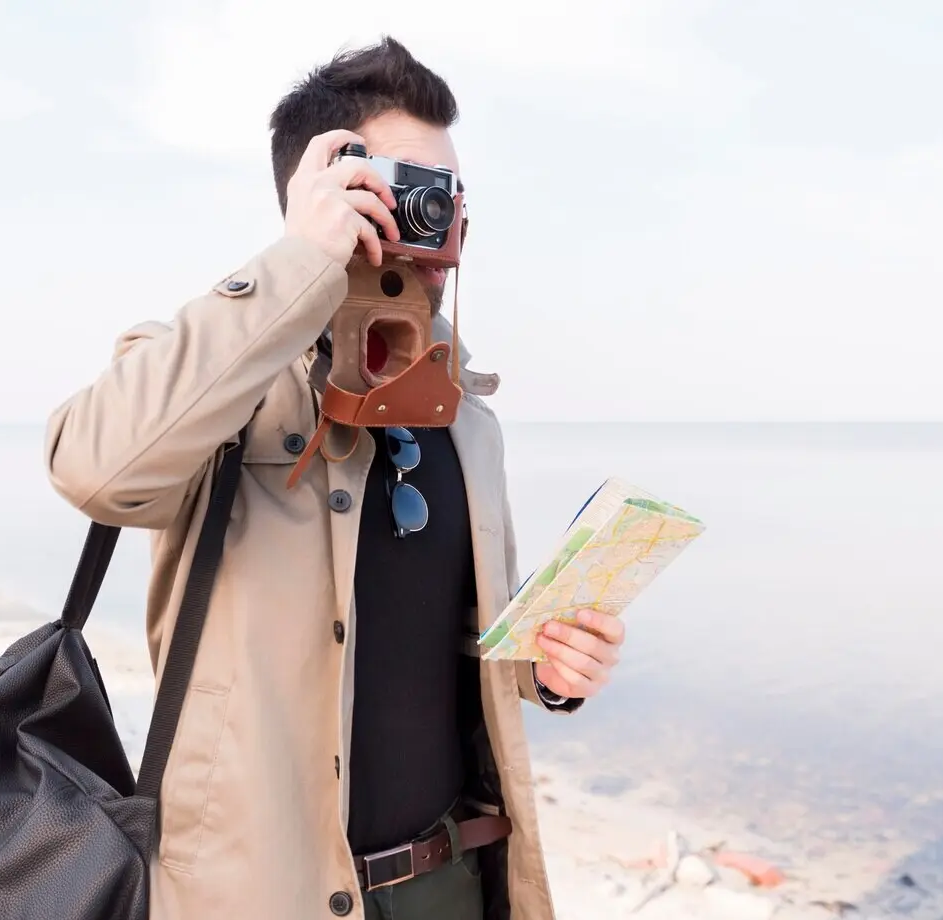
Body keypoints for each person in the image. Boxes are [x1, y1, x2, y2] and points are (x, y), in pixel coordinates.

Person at [43, 36, 626, 920]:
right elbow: (94, 469)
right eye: (415, 192)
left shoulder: (464, 413)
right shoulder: (219, 376)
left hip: (453, 881)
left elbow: (459, 649)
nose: (442, 224)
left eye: (454, 199)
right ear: (325, 187)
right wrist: (297, 261)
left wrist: (548, 672)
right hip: (260, 893)